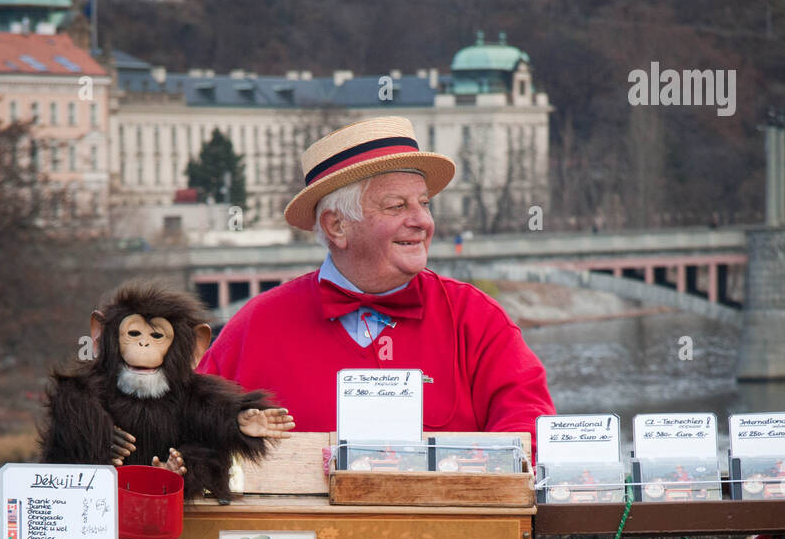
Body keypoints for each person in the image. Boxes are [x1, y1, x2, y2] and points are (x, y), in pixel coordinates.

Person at [197, 117, 554, 450]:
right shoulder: (257, 324)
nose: (422, 221)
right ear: (337, 226)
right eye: (397, 206)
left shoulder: (476, 319)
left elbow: (529, 431)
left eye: (424, 204)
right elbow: (189, 425)